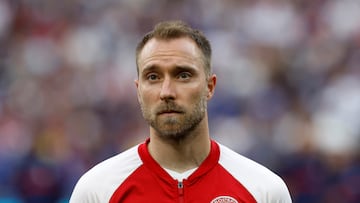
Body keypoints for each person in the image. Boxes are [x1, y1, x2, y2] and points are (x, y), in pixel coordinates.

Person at [69, 20, 292, 203]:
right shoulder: (97, 191)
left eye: (183, 75)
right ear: (138, 91)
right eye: (153, 77)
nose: (166, 92)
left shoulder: (264, 191)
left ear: (209, 87)